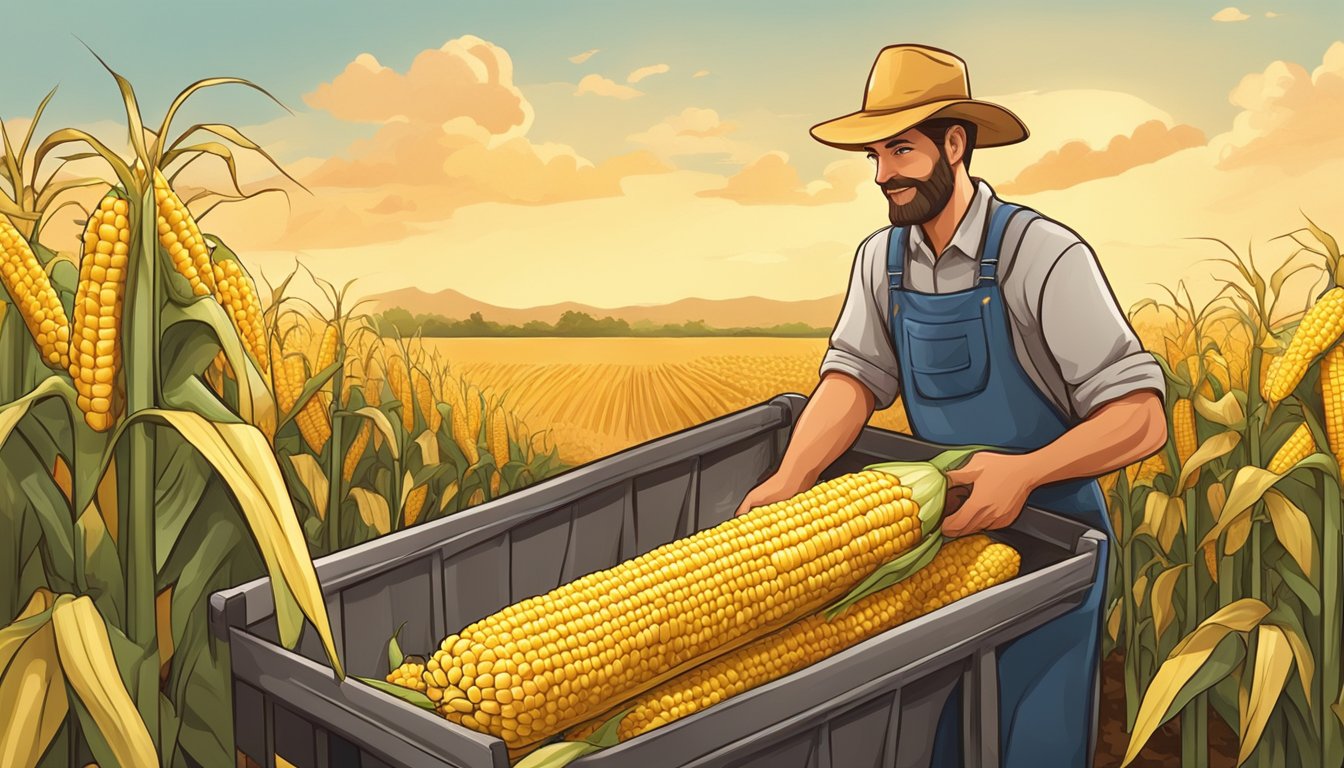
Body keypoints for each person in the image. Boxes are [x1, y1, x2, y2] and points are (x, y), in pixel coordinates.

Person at [733, 44, 1168, 767]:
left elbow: (1141, 416)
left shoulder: (1043, 256)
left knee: (1032, 742)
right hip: (939, 546)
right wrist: (792, 477)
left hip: (1049, 555)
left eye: (900, 150)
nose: (882, 175)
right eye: (874, 154)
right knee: (937, 743)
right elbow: (854, 382)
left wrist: (1025, 473)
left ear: (955, 143)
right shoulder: (883, 259)